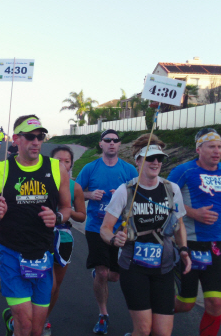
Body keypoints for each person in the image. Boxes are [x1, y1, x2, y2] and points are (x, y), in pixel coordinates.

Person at [0, 114, 72, 336]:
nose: (36, 141)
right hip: (12, 253)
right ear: (16, 139)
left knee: (36, 329)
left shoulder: (56, 168)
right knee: (25, 324)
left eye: (40, 136)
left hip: (43, 254)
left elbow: (66, 209)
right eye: (30, 136)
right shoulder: (0, 170)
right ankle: (16, 324)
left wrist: (58, 218)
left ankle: (12, 324)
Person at [101, 134, 191, 336]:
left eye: (160, 158)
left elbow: (179, 225)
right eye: (150, 158)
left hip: (164, 267)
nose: (156, 162)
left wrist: (183, 249)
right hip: (134, 268)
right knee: (143, 329)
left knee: (162, 332)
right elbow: (105, 228)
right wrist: (115, 238)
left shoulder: (171, 189)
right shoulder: (126, 191)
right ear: (138, 161)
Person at [76, 129, 138, 334]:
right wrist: (89, 194)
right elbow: (76, 193)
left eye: (115, 140)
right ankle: (103, 315)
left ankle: (101, 273)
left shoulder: (129, 170)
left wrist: (122, 196)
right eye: (107, 140)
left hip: (122, 229)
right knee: (103, 272)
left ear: (120, 145)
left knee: (113, 276)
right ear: (101, 144)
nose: (112, 143)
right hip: (96, 227)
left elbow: (140, 197)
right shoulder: (90, 168)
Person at [169, 128, 221, 336]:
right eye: (211, 147)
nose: (217, 151)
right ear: (199, 149)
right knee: (186, 303)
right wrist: (192, 213)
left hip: (216, 246)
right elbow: (165, 199)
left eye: (219, 147)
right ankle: (148, 317)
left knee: (216, 303)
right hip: (188, 244)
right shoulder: (184, 171)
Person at [44, 146, 86, 335]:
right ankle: (27, 317)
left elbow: (81, 216)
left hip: (63, 236)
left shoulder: (74, 187)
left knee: (55, 286)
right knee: (41, 282)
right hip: (40, 236)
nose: (62, 164)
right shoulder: (41, 181)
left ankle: (44, 319)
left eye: (66, 161)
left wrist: (65, 214)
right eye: (58, 161)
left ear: (71, 164)